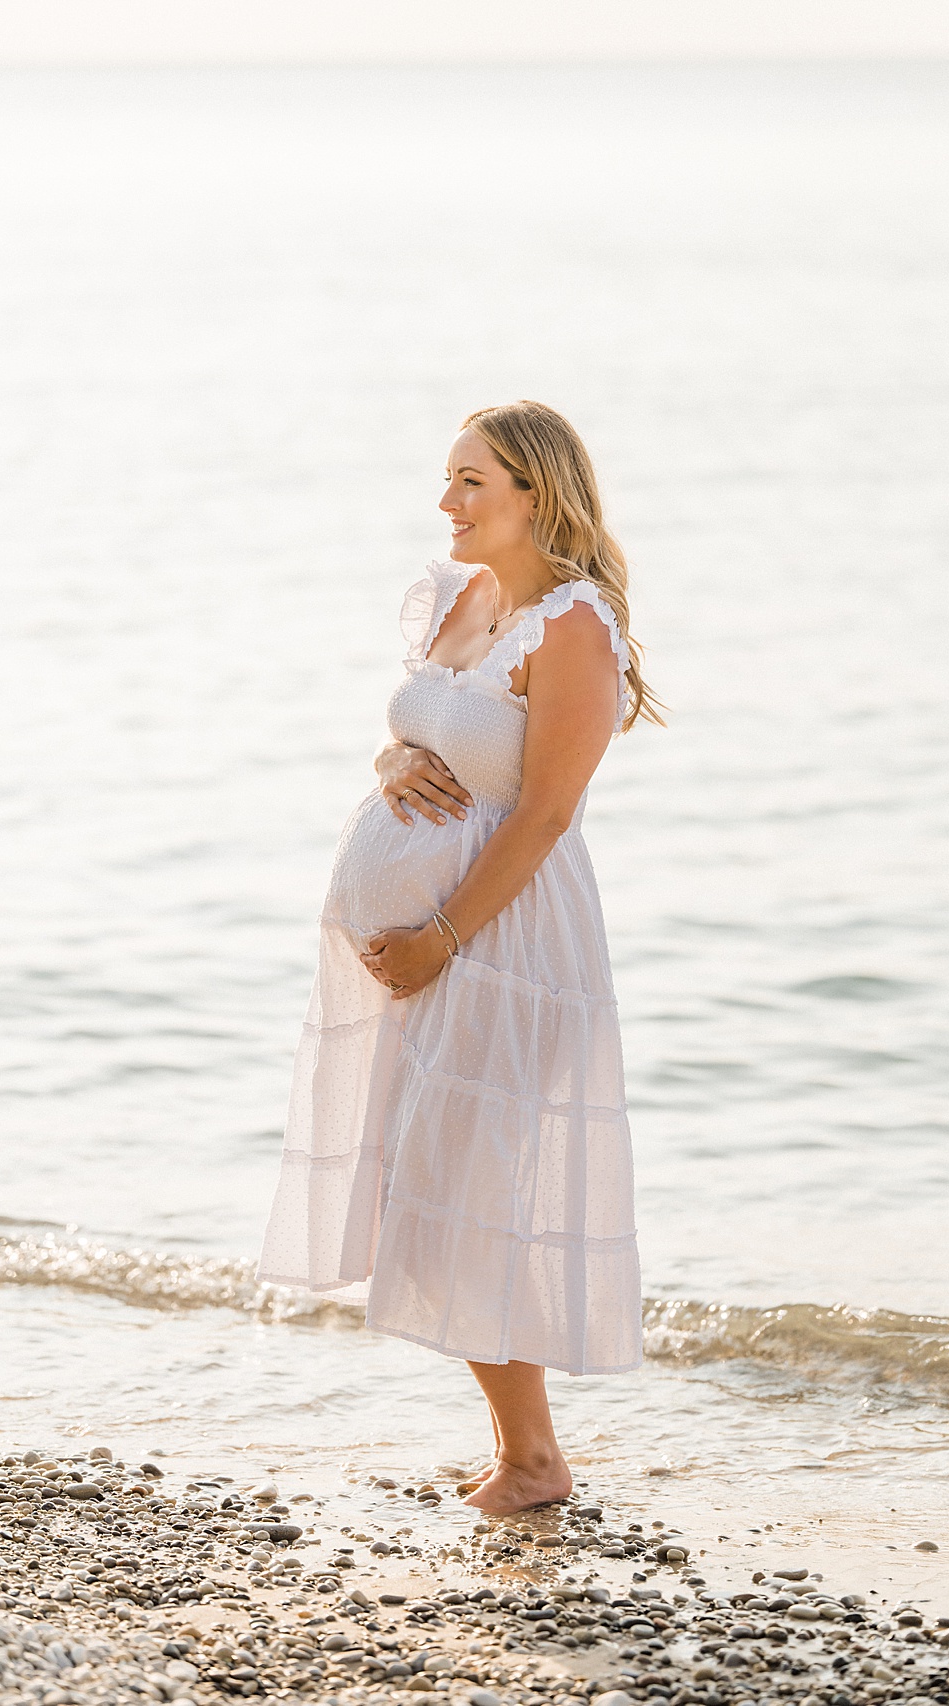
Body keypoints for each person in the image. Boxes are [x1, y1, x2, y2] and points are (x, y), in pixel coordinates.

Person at [257, 399, 662, 1514]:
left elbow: (543, 813)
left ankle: (533, 1462)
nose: (445, 501)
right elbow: (425, 729)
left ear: (537, 492)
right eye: (446, 478)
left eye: (470, 481)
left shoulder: (572, 628)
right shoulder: (460, 598)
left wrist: (442, 934)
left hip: (506, 944)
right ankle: (522, 1452)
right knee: (427, 1188)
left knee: (461, 1188)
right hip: (431, 948)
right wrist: (391, 757)